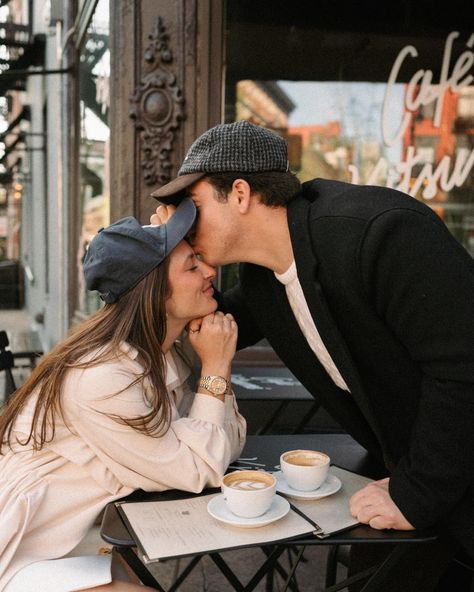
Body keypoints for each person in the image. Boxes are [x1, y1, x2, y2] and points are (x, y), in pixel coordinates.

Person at [150, 120, 474, 591]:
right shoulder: (265, 280)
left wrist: (416, 495)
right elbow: (204, 321)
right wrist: (164, 251)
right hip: (420, 482)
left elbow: (464, 370)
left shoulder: (380, 232)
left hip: (443, 479)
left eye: (191, 207)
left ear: (239, 193)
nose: (183, 221)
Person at [0, 198, 246, 592]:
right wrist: (216, 368)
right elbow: (204, 464)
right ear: (153, 291)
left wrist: (212, 383)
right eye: (192, 265)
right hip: (29, 547)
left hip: (89, 535)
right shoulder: (103, 376)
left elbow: (219, 445)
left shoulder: (162, 355)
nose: (210, 271)